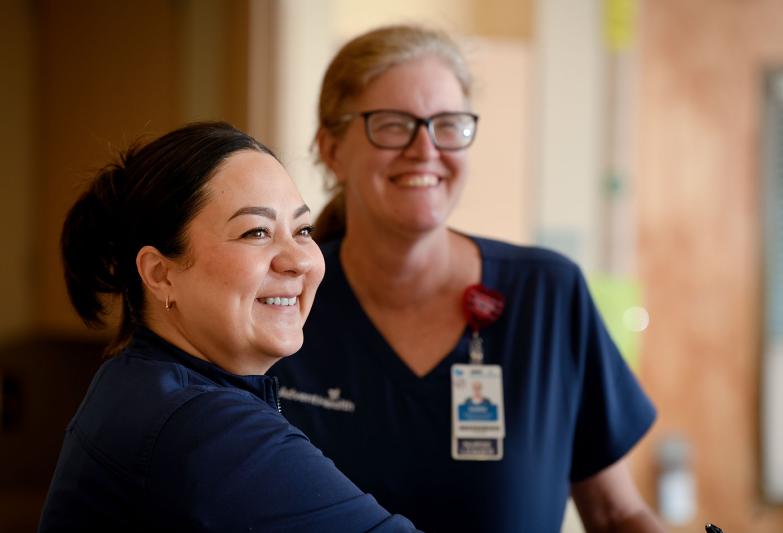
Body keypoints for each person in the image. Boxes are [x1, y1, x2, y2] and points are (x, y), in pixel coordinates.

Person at [269, 25, 665, 532]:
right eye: (392, 125)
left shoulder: (545, 297)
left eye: (448, 125)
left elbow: (615, 513)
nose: (425, 148)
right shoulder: (285, 303)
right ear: (331, 149)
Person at [38, 122, 419, 532]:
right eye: (256, 232)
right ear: (161, 273)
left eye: (302, 230)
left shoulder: (135, 382)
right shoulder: (206, 428)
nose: (300, 260)